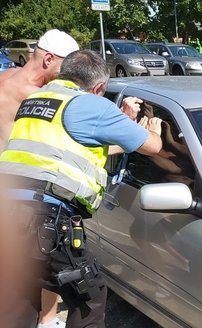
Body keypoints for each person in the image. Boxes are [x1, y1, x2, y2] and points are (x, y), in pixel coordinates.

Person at [0, 49, 162, 327]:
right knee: (89, 295)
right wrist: (153, 129)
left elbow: (74, 144)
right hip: (43, 218)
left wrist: (119, 124)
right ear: (98, 87)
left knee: (19, 295)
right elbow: (153, 147)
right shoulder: (91, 105)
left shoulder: (37, 99)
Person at [0, 29, 80, 328]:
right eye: (65, 68)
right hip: (22, 191)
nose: (68, 77)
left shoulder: (4, 79)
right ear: (48, 59)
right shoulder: (39, 98)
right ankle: (47, 321)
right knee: (45, 255)